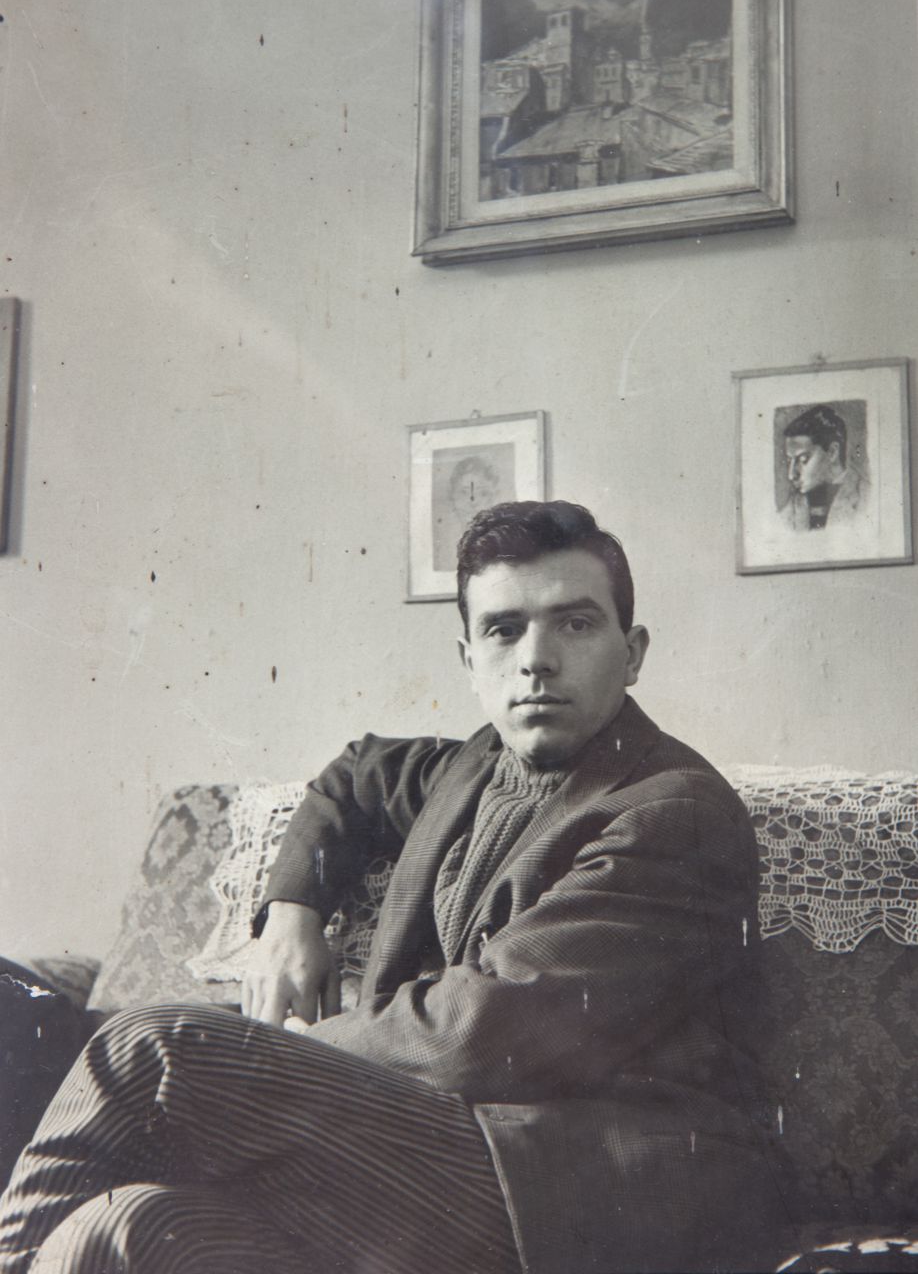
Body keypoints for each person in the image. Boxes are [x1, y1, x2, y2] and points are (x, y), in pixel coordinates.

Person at [0, 501, 787, 1274]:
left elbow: (477, 1034)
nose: (536, 659)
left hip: (590, 1194)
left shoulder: (671, 811)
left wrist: (278, 1054)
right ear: (469, 660)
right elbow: (354, 777)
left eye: (575, 624)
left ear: (633, 652)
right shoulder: (476, 766)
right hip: (449, 1170)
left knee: (149, 1046)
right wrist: (291, 913)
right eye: (503, 629)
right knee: (129, 1231)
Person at [781, 404, 868, 531]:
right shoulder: (792, 507)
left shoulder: (868, 497)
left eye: (803, 459)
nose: (791, 475)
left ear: (832, 452)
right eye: (789, 461)